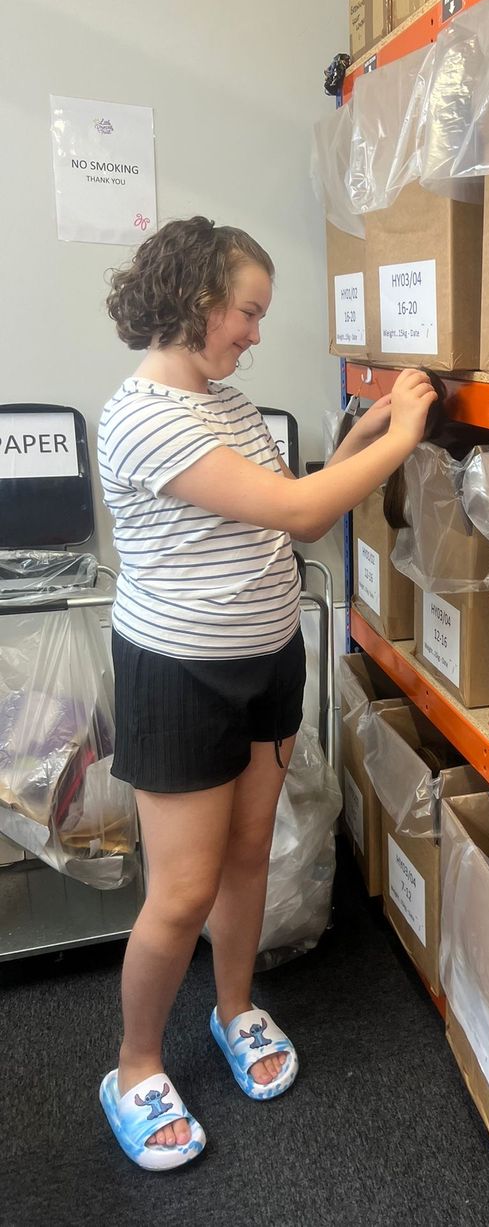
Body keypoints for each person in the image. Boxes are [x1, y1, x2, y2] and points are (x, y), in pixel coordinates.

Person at [96, 215, 435, 1170]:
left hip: (266, 659)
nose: (253, 332)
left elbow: (277, 513)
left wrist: (357, 437)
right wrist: (401, 434)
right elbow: (299, 510)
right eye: (246, 312)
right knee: (181, 892)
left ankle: (236, 1009)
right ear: (198, 300)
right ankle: (134, 1066)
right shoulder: (145, 413)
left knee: (250, 856)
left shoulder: (227, 404)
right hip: (180, 677)